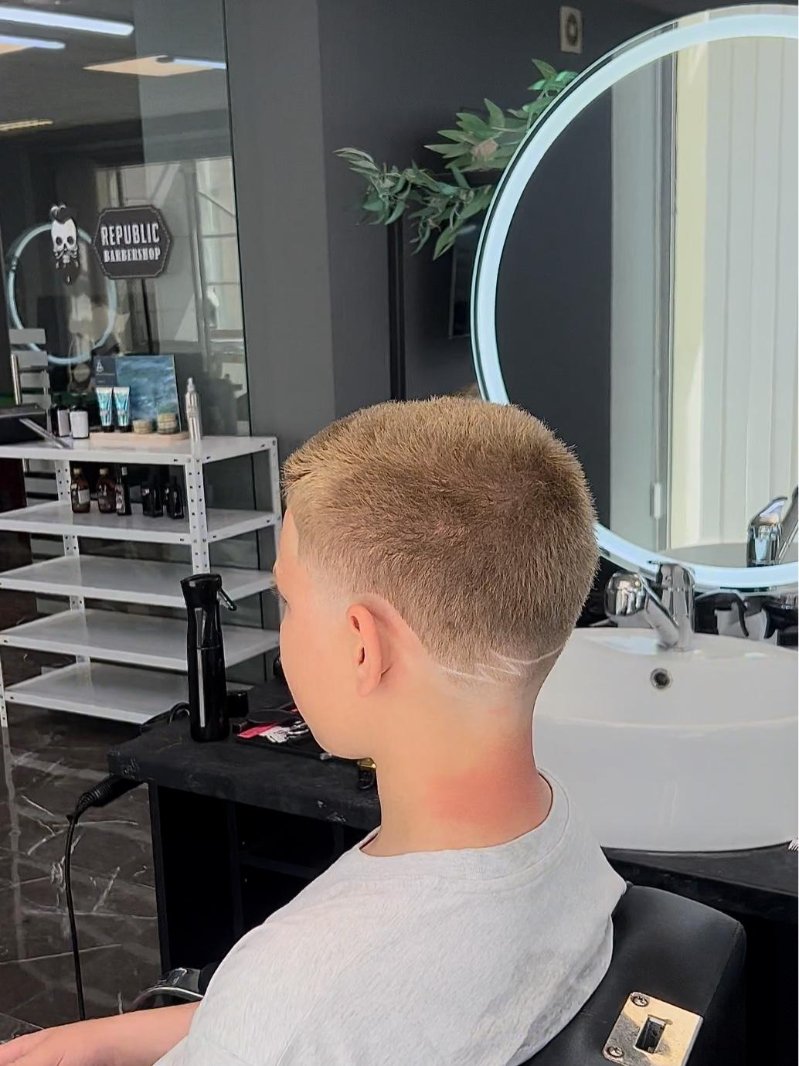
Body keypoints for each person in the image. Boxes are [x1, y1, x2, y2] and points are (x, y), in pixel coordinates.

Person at [1, 398, 625, 1066]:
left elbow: (291, 1019)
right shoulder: (556, 833)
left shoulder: (302, 988)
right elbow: (292, 1024)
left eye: (289, 600)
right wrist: (108, 1039)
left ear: (363, 647)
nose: (284, 630)